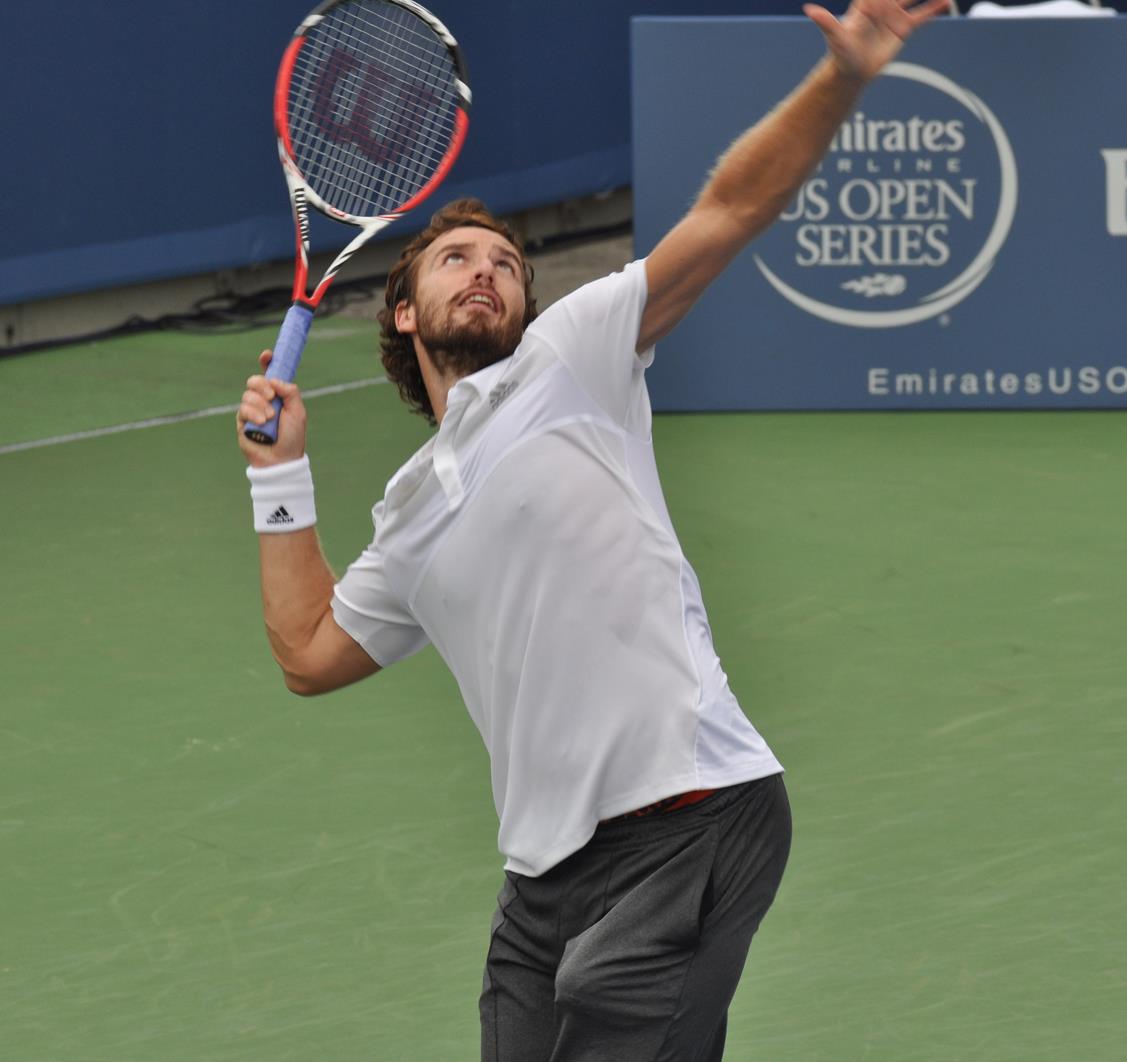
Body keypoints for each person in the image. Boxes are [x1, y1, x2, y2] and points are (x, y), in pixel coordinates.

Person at [234, 1, 951, 1059]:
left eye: (505, 265)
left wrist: (842, 76)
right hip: (542, 881)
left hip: (695, 813)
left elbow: (731, 208)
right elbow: (308, 651)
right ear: (404, 311)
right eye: (456, 259)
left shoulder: (571, 361)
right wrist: (281, 478)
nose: (486, 270)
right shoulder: (410, 513)